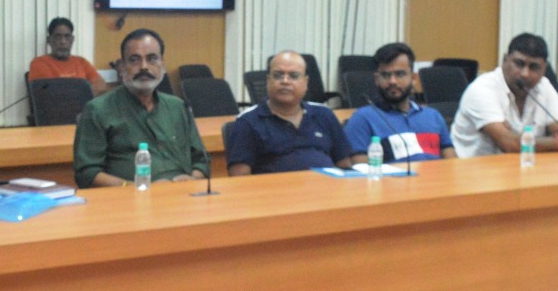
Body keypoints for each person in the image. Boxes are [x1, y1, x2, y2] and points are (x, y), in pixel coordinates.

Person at [73, 29, 208, 187]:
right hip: (128, 197)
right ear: (122, 67)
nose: (144, 67)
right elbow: (87, 173)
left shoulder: (178, 107)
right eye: (134, 60)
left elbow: (201, 161)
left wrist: (193, 179)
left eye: (152, 59)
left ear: (162, 65)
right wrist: (135, 188)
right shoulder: (98, 110)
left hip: (182, 194)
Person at [227, 51, 355, 175]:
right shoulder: (248, 122)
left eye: (294, 76)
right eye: (278, 75)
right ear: (268, 81)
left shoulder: (324, 114)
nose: (285, 81)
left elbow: (344, 165)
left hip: (326, 188)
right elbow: (239, 179)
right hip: (276, 189)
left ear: (306, 83)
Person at [451, 33, 558, 158]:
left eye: (534, 67)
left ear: (544, 68)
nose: (525, 74)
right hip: (474, 168)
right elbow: (510, 144)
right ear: (505, 60)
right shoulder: (482, 89)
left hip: (523, 166)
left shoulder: (544, 86)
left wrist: (520, 140)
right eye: (519, 64)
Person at [343, 42, 455, 163]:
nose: (393, 81)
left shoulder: (433, 116)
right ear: (377, 79)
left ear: (413, 78)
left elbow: (452, 164)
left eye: (400, 74)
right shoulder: (362, 119)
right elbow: (361, 170)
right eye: (386, 75)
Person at [29, 17, 108, 96]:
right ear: (49, 40)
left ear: (72, 40)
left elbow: (101, 87)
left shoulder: (81, 62)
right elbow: (49, 94)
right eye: (58, 37)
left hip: (83, 103)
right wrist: (84, 90)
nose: (63, 41)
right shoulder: (39, 63)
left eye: (67, 36)